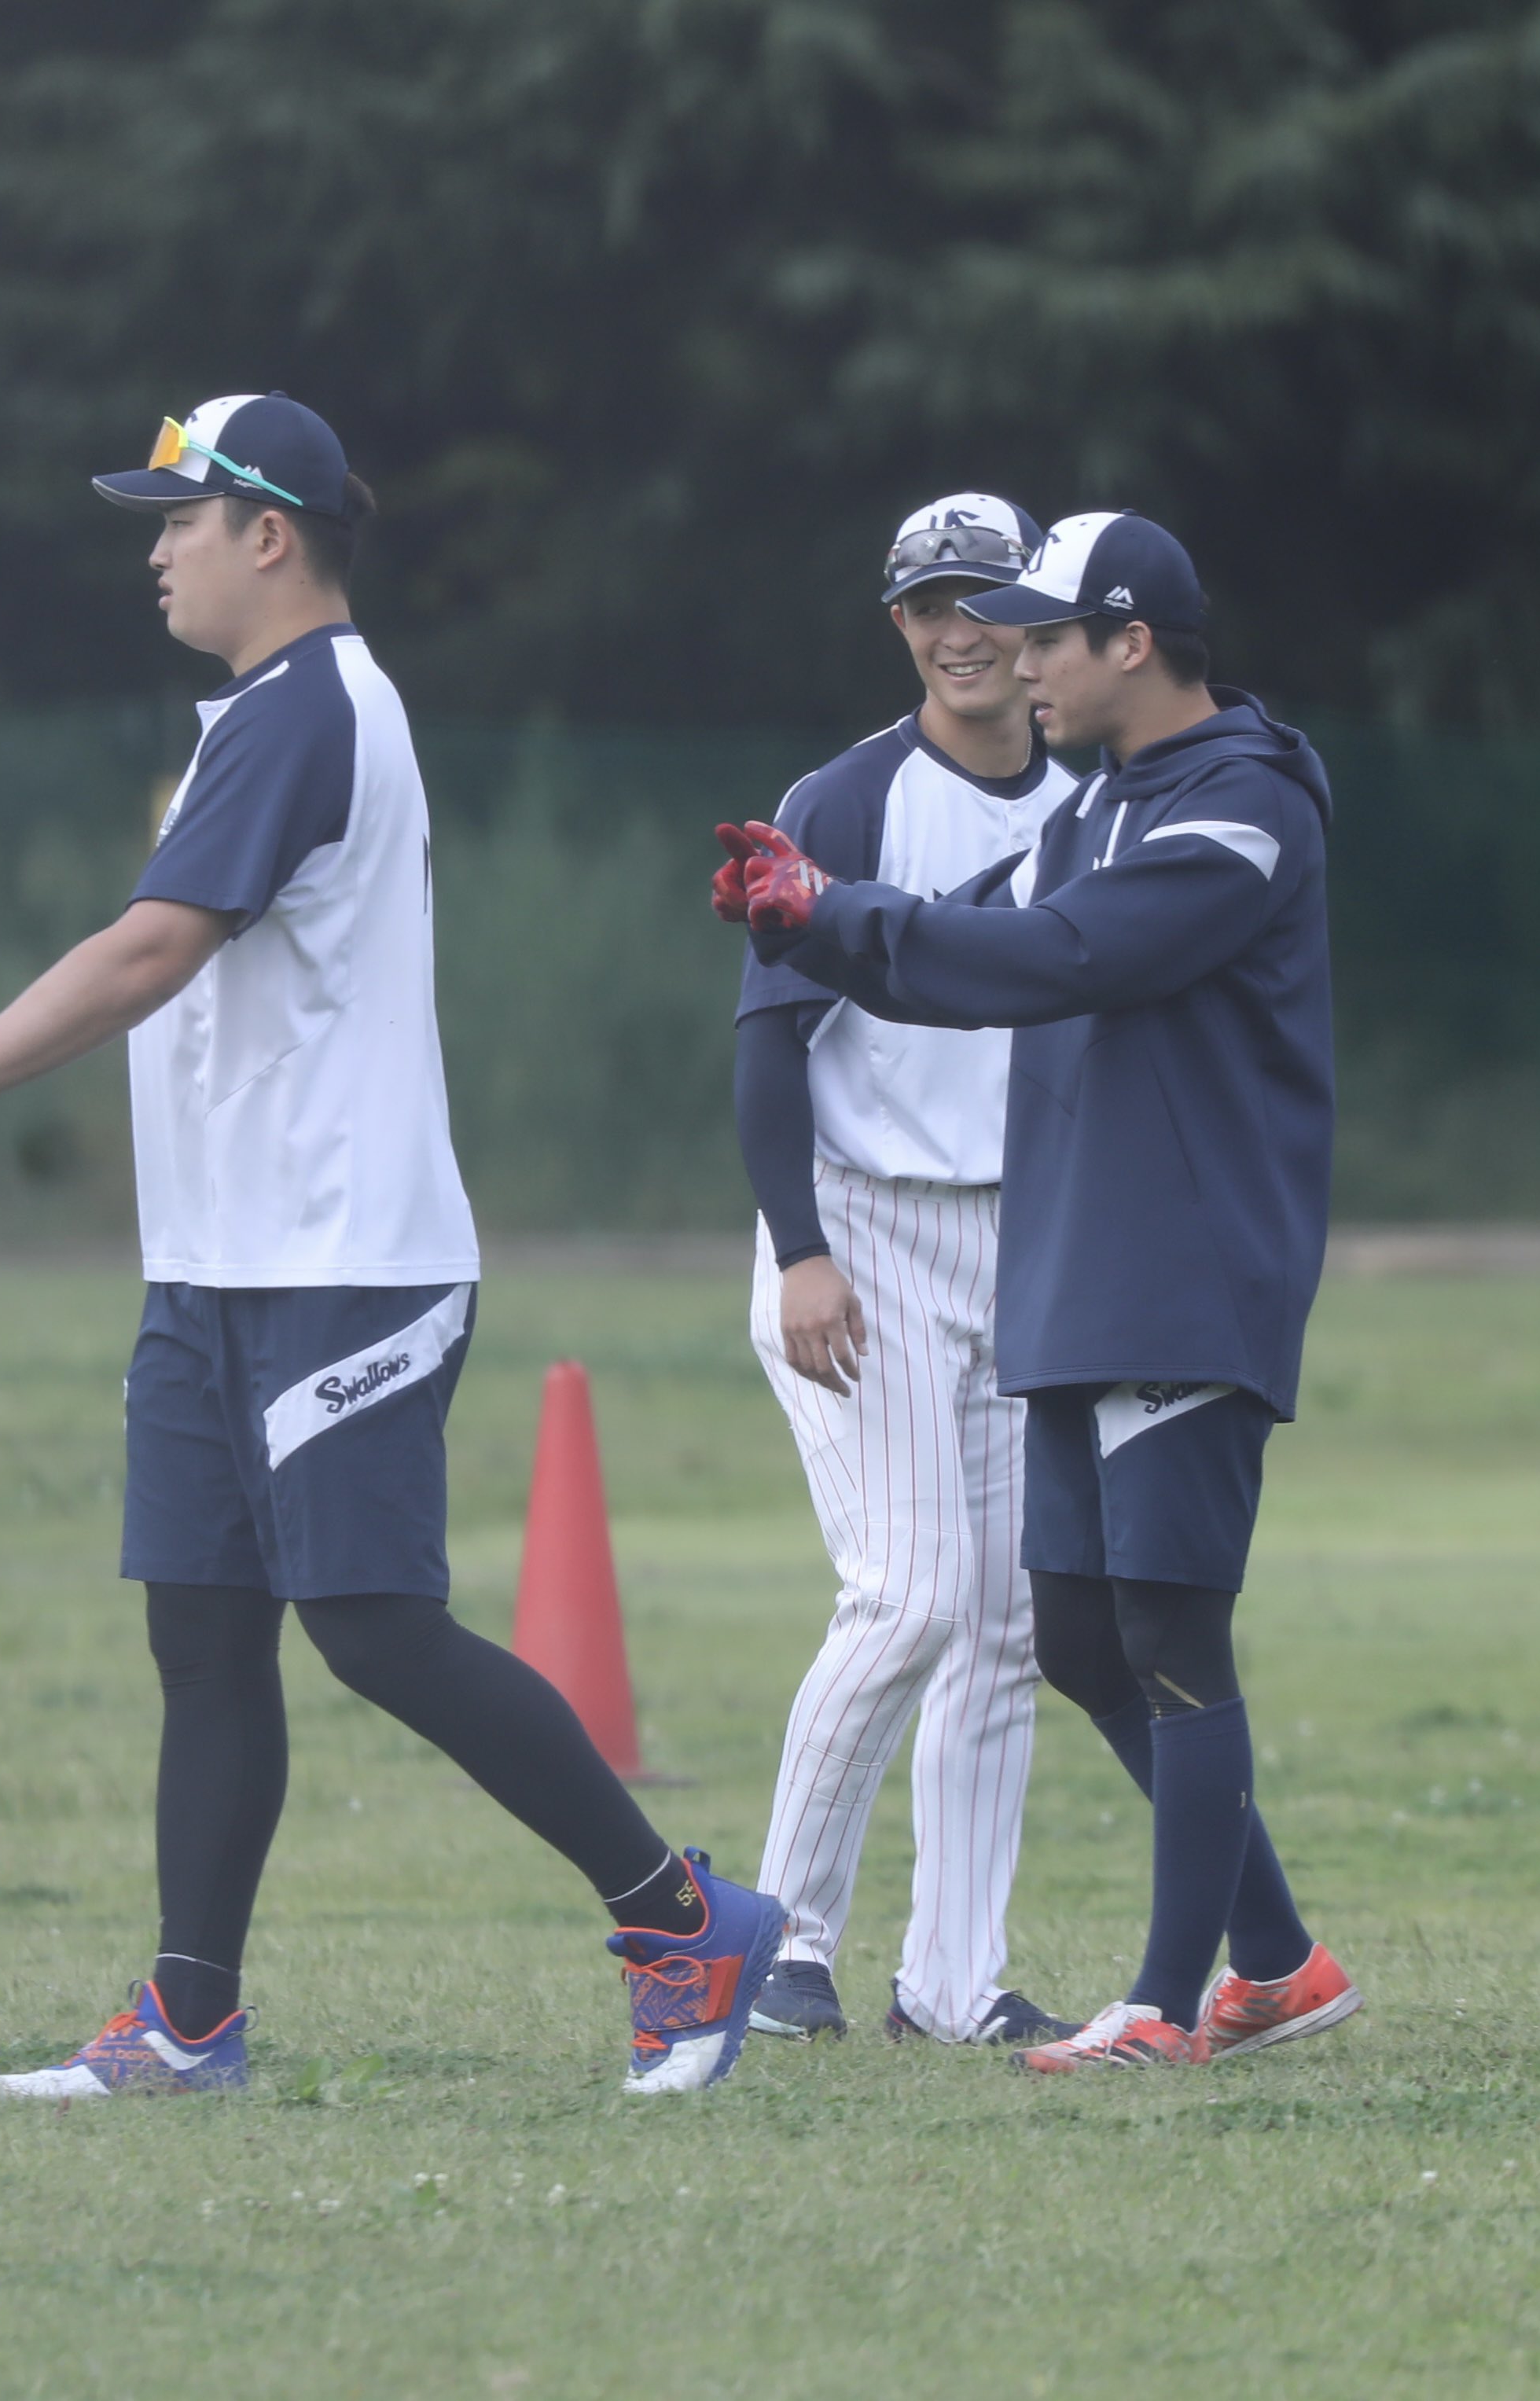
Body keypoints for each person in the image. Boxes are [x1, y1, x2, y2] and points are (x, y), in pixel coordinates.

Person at [0, 390, 786, 2099]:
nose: (157, 552)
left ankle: (685, 1921)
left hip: (344, 1259)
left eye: (178, 521)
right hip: (216, 1264)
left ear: (268, 534)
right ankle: (188, 2020)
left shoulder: (307, 707)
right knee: (202, 1632)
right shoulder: (258, 716)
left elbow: (146, 952)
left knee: (374, 1629)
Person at [719, 511, 1362, 2070]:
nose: (1013, 656)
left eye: (1043, 632)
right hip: (1074, 1267)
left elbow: (1066, 957)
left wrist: (835, 910)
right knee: (1069, 1634)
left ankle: (1164, 2004)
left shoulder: (1238, 808)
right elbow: (974, 955)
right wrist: (812, 916)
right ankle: (1279, 1959)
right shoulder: (1105, 805)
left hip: (1183, 1267)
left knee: (1167, 1637)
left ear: (1128, 643)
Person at [716, 494, 1081, 2049]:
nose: (959, 631)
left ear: (1038, 623)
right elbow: (766, 1042)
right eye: (929, 605)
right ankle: (776, 1946)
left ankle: (951, 1979)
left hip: (1019, 1235)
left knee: (1007, 1623)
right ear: (898, 625)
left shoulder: (1091, 799)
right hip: (856, 1229)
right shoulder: (850, 797)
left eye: (986, 600)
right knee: (910, 1593)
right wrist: (799, 1250)